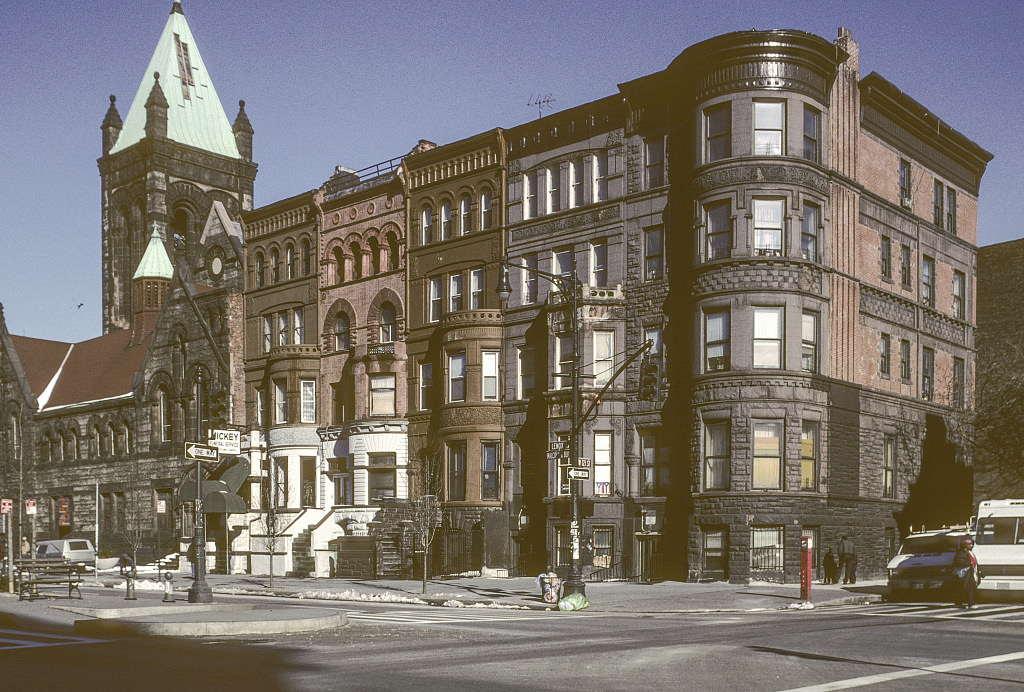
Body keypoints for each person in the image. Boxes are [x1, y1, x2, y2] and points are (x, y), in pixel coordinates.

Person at [952, 537, 979, 609]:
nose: (971, 546)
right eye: (970, 544)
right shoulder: (961, 553)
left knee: (969, 588)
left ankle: (960, 602)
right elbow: (960, 562)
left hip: (970, 572)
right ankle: (970, 603)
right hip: (965, 573)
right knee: (967, 588)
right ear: (965, 545)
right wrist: (969, 563)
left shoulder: (970, 552)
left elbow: (975, 562)